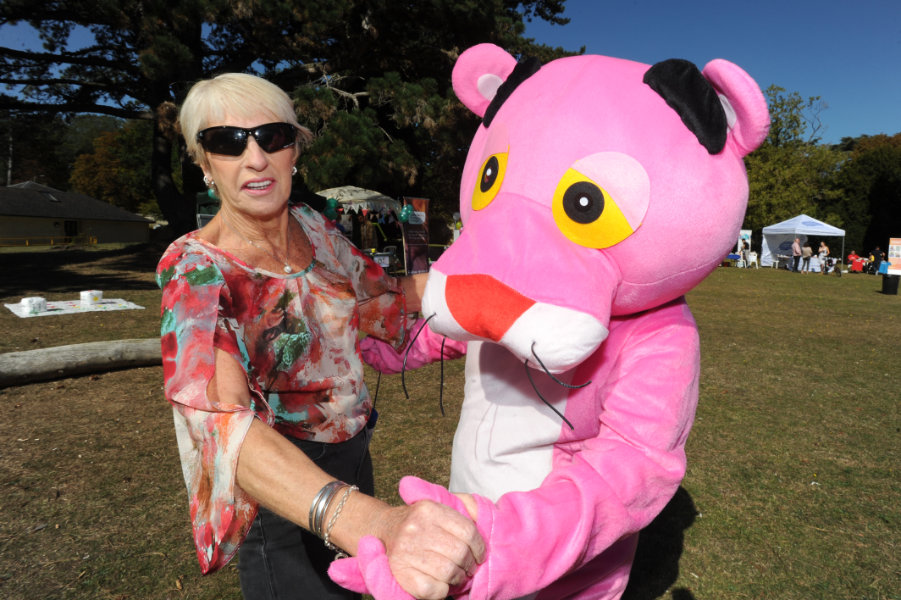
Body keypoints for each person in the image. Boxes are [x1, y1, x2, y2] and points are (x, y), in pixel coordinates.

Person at [156, 73, 483, 600]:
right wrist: (366, 520)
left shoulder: (315, 228)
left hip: (355, 458)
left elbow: (390, 299)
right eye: (227, 141)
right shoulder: (194, 268)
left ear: (294, 150)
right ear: (202, 161)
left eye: (273, 136)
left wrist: (495, 296)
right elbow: (218, 421)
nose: (255, 158)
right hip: (282, 492)